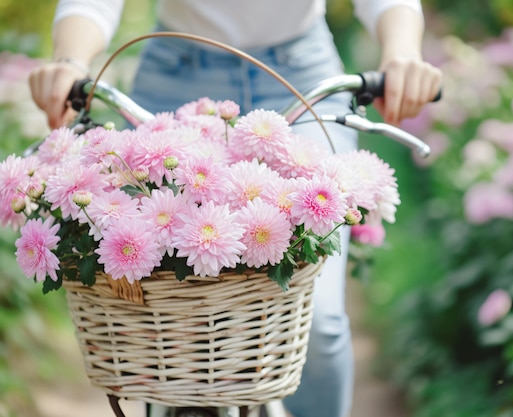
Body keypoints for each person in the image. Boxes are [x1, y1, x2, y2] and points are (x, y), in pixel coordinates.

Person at [29, 2, 442, 417]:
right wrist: (69, 60)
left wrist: (402, 52)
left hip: (299, 74)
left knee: (315, 318)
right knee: (160, 304)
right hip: (174, 74)